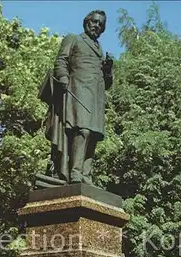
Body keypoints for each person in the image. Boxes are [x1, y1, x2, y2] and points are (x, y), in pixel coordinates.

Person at [39, 10, 113, 185]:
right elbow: (61, 61)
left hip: (96, 98)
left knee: (93, 135)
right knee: (82, 130)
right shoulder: (74, 39)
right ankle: (75, 173)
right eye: (94, 21)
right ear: (86, 22)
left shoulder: (100, 51)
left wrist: (108, 69)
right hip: (77, 91)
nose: (97, 26)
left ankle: (86, 175)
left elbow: (108, 83)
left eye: (101, 24)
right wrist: (63, 77)